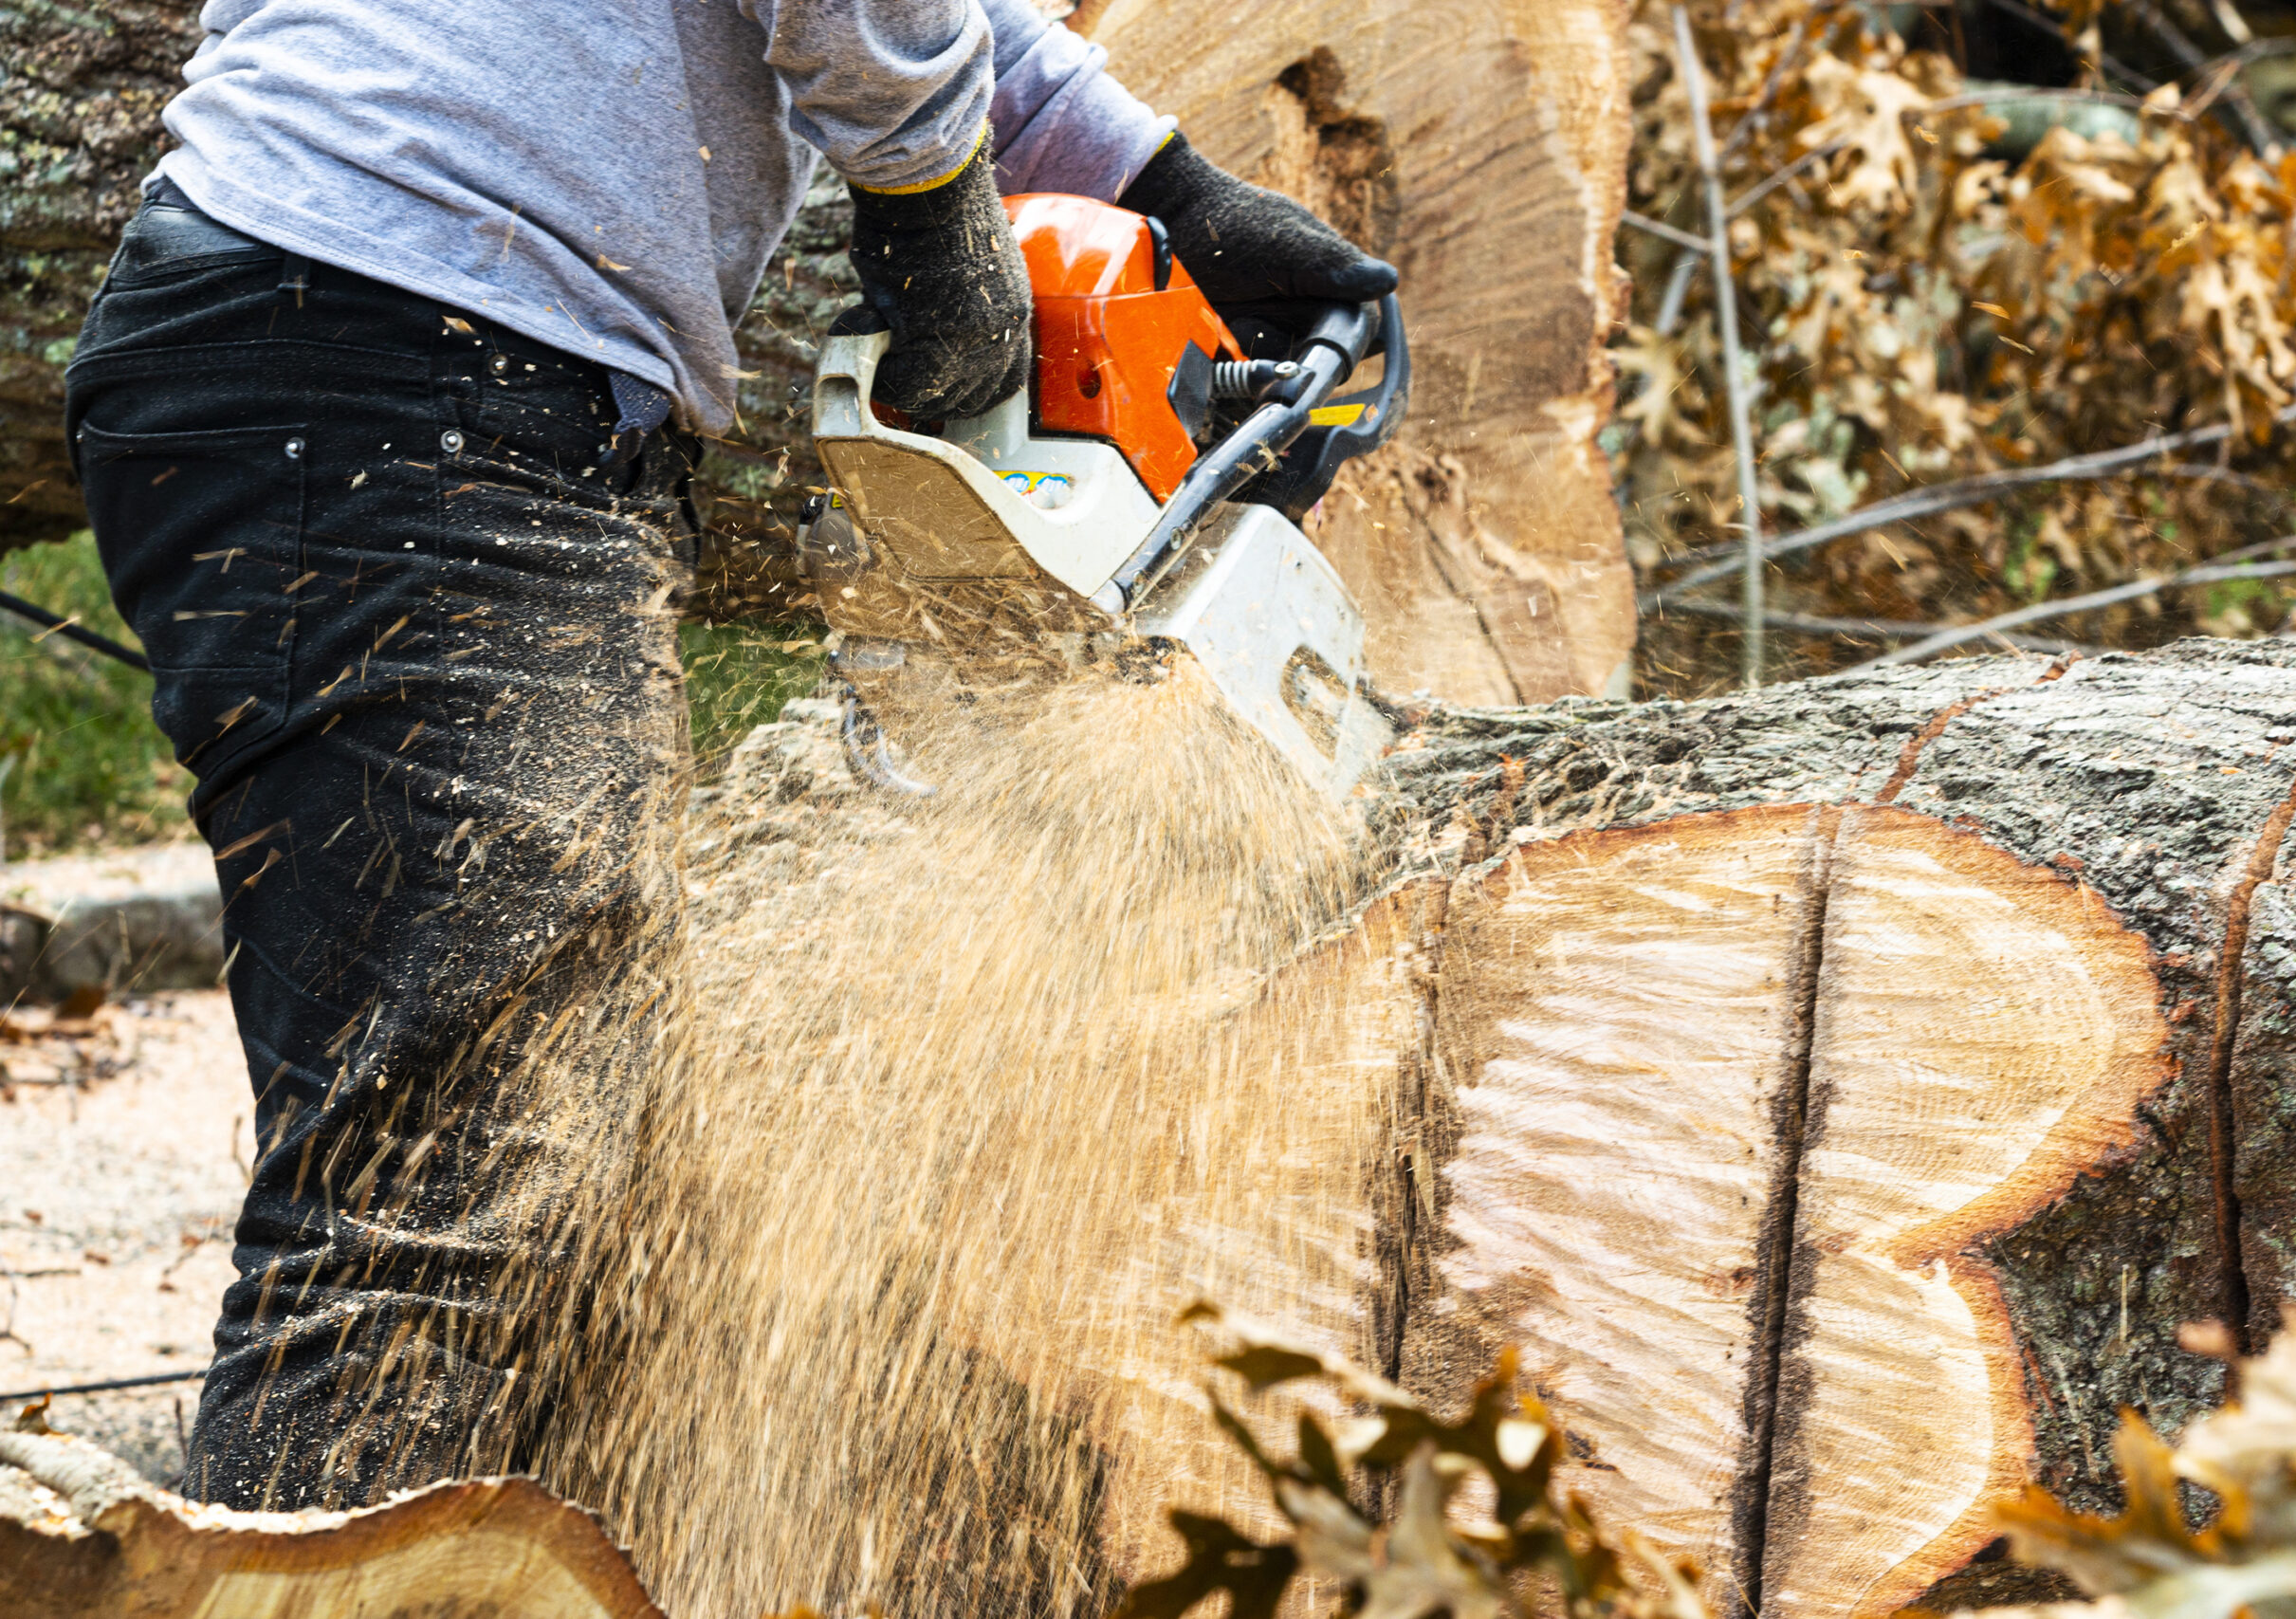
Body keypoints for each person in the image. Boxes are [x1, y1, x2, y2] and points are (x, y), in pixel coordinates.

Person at [64, 0, 1396, 1512]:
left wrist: (1162, 193)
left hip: (356, 328)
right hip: (410, 353)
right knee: (442, 1203)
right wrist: (928, 194)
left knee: (577, 1174)